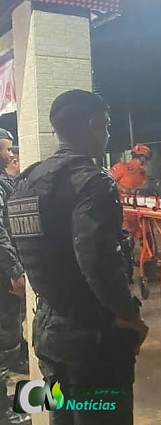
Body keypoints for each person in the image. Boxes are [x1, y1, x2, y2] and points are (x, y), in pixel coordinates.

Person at [9, 90, 148, 425]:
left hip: (45, 331)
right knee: (102, 416)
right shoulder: (94, 182)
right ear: (92, 124)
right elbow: (96, 260)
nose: (108, 133)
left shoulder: (26, 181)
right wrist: (128, 314)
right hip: (91, 338)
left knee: (59, 414)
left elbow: (21, 247)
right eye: (107, 125)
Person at [0, 129, 29, 424]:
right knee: (4, 338)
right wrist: (14, 271)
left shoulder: (4, 182)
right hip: (3, 274)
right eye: (6, 149)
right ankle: (3, 410)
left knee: (10, 334)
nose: (10, 155)